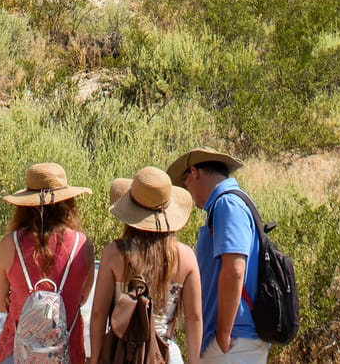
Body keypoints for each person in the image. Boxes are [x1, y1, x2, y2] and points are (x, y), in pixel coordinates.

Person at [89, 166, 202, 364]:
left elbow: (99, 313)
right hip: (166, 354)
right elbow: (194, 318)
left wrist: (97, 358)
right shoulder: (185, 257)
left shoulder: (115, 253)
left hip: (123, 354)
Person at [166, 148, 266, 364]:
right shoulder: (229, 203)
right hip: (235, 342)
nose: (189, 193)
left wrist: (223, 333)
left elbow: (235, 270)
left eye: (185, 184)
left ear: (194, 173)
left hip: (233, 343)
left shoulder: (226, 204)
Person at [0, 162, 95, 364]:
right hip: (67, 356)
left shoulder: (10, 244)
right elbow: (82, 299)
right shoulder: (83, 246)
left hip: (17, 354)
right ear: (68, 203)